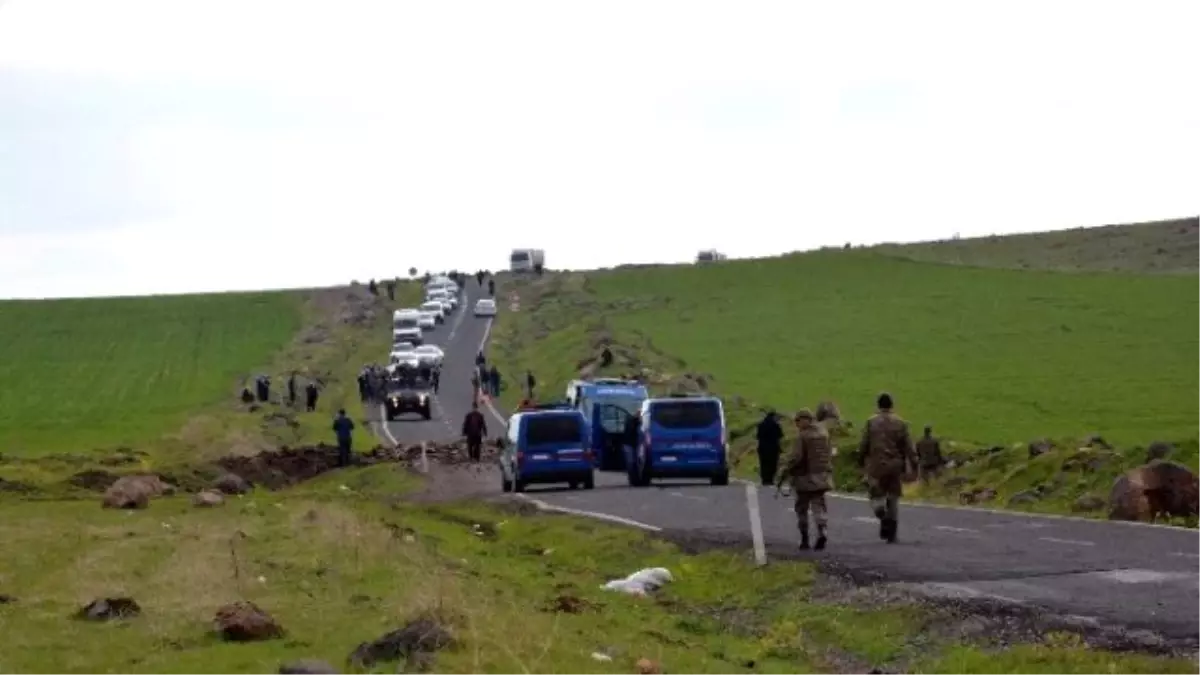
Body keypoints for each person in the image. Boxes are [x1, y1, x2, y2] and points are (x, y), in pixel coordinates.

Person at [856, 392, 917, 544]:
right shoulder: (901, 423)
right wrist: (914, 463)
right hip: (895, 465)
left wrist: (860, 459)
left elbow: (864, 444)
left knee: (876, 495)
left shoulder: (871, 422)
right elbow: (908, 447)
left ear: (878, 405)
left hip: (876, 465)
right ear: (891, 405)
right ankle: (892, 533)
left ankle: (882, 515)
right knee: (893, 497)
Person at [776, 409, 834, 550]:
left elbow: (796, 458)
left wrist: (785, 470)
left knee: (801, 509)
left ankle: (804, 539)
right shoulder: (824, 434)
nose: (796, 424)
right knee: (819, 506)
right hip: (822, 477)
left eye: (798, 421)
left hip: (804, 479)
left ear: (805, 420)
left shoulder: (803, 436)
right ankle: (822, 530)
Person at [755, 410, 784, 486]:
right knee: (773, 464)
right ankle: (770, 479)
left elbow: (758, 437)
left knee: (764, 464)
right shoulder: (776, 425)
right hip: (773, 448)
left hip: (763, 448)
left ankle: (765, 479)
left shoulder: (761, 424)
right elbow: (780, 436)